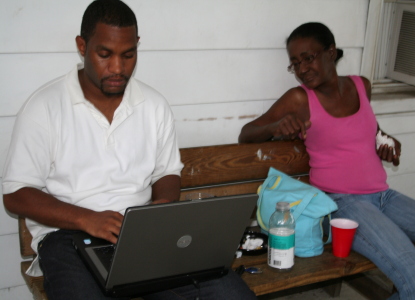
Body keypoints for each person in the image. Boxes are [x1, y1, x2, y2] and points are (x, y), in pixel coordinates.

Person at [2, 1, 256, 299]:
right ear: (82, 46)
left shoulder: (153, 105)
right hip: (67, 236)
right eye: (105, 54)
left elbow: (167, 171)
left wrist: (162, 205)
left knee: (230, 293)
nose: (118, 68)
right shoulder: (44, 107)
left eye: (128, 55)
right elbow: (16, 193)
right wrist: (88, 218)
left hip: (138, 232)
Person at [239, 22, 415, 300]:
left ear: (331, 52)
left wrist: (386, 141)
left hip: (385, 196)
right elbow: (247, 134)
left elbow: (367, 130)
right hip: (344, 205)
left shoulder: (361, 85)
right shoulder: (299, 98)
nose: (302, 69)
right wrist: (276, 126)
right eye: (295, 63)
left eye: (308, 58)